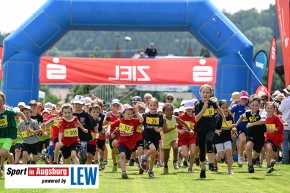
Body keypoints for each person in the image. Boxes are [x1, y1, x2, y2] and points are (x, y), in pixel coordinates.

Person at [194, 84, 225, 179]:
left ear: (211, 93)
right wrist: (203, 110)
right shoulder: (198, 105)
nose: (205, 94)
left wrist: (223, 117)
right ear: (200, 93)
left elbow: (219, 109)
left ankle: (211, 163)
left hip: (211, 129)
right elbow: (196, 119)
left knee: (209, 141)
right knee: (202, 151)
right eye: (203, 92)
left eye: (207, 92)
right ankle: (202, 168)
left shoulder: (212, 104)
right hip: (200, 130)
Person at [0, 92, 31, 177]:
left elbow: (20, 113)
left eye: (0, 102)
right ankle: (10, 156)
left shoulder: (9, 111)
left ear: (3, 102)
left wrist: (27, 124)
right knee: (2, 153)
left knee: (2, 153)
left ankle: (9, 157)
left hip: (8, 135)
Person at [233, 97, 266, 173]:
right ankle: (250, 166)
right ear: (250, 105)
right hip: (250, 133)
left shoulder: (261, 112)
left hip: (260, 135)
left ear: (259, 105)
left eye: (256, 105)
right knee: (248, 146)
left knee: (256, 154)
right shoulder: (247, 112)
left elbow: (263, 120)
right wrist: (236, 125)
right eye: (253, 105)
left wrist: (252, 124)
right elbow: (241, 117)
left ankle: (249, 158)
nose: (254, 107)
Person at [110, 104, 144, 179]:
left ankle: (122, 164)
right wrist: (110, 132)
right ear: (123, 114)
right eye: (128, 114)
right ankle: (124, 172)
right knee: (122, 155)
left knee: (126, 158)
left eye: (131, 114)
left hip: (131, 144)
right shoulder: (120, 121)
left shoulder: (134, 121)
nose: (130, 115)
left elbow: (141, 120)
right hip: (122, 143)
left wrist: (137, 112)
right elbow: (111, 125)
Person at [162, 103, 191, 174]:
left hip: (174, 137)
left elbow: (183, 123)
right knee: (166, 156)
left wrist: (190, 130)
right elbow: (164, 131)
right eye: (167, 110)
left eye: (171, 110)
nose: (169, 112)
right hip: (166, 139)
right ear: (164, 112)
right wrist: (173, 128)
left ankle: (175, 162)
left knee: (175, 147)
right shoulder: (164, 120)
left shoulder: (175, 118)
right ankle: (165, 166)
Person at [140, 97, 164, 178]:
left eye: (154, 105)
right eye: (151, 105)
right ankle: (144, 158)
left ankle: (150, 170)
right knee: (152, 149)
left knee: (153, 156)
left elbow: (161, 127)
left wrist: (158, 129)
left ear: (157, 106)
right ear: (148, 106)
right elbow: (141, 123)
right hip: (147, 136)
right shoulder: (145, 115)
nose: (152, 107)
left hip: (156, 136)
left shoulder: (160, 116)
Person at [72, 95, 96, 164]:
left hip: (83, 137)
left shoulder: (86, 115)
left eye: (80, 104)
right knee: (73, 153)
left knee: (82, 155)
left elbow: (93, 124)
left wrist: (96, 132)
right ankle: (73, 166)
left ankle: (82, 164)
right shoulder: (70, 114)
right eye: (76, 103)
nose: (78, 105)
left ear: (83, 104)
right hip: (72, 137)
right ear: (73, 104)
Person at [213, 99, 235, 174]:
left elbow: (232, 126)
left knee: (229, 151)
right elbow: (211, 126)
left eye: (226, 107)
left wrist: (233, 129)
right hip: (218, 138)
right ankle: (215, 160)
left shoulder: (230, 117)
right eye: (223, 108)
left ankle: (229, 170)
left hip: (227, 137)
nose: (225, 109)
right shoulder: (217, 117)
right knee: (221, 156)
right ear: (219, 109)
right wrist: (215, 130)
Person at [230, 90, 250, 167]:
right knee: (242, 140)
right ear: (240, 99)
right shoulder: (236, 106)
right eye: (242, 99)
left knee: (248, 144)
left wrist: (249, 110)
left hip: (249, 127)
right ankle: (240, 156)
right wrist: (233, 124)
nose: (244, 100)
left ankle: (248, 159)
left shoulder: (250, 106)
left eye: (245, 99)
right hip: (239, 127)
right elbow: (229, 113)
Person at [177, 100, 197, 172]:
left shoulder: (195, 118)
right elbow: (175, 126)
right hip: (183, 138)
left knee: (192, 153)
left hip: (192, 137)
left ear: (193, 109)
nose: (189, 109)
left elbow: (196, 128)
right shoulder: (181, 117)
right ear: (185, 108)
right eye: (187, 108)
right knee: (185, 155)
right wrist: (179, 130)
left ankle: (190, 168)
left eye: (190, 108)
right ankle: (181, 152)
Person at [265, 102, 284, 173]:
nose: (269, 109)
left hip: (276, 139)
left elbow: (281, 127)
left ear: (274, 109)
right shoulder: (264, 118)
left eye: (271, 108)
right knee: (269, 148)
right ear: (265, 109)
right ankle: (268, 166)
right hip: (268, 137)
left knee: (273, 155)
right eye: (268, 108)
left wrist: (273, 129)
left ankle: (271, 161)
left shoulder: (276, 118)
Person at [105, 99, 121, 172]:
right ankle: (115, 164)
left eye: (117, 105)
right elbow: (105, 123)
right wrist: (107, 130)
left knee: (115, 144)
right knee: (112, 150)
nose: (115, 107)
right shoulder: (109, 114)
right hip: (111, 134)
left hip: (120, 134)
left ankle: (119, 156)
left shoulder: (121, 114)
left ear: (119, 106)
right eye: (114, 105)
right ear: (111, 106)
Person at [279, 85, 290, 164]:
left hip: (285, 124)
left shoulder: (285, 101)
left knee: (284, 143)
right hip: (286, 124)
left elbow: (280, 110)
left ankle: (285, 160)